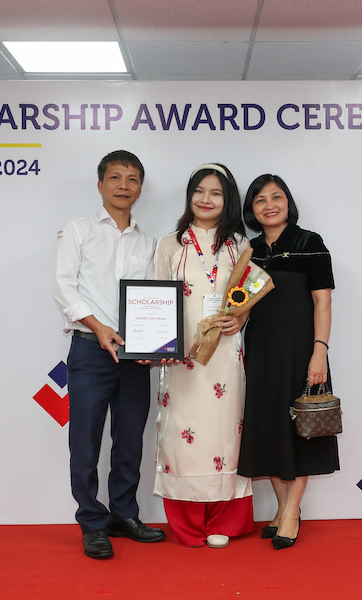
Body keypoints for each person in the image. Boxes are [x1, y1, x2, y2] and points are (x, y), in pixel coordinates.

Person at [54, 150, 166, 559]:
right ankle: (92, 521)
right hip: (90, 351)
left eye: (132, 179)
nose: (124, 185)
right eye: (115, 177)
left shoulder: (150, 242)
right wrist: (99, 328)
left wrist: (156, 344)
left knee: (130, 441)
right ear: (100, 184)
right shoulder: (78, 230)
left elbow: (156, 299)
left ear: (139, 188)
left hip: (135, 358)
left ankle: (124, 514)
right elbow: (64, 288)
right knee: (84, 442)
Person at [152, 163, 254, 548]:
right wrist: (164, 344)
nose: (205, 199)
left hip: (226, 355)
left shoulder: (240, 245)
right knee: (181, 436)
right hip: (181, 359)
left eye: (215, 193)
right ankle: (188, 523)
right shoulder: (169, 244)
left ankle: (224, 521)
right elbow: (157, 298)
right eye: (199, 191)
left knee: (226, 432)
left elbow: (249, 296)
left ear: (227, 201)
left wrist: (240, 318)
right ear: (189, 196)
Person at [236, 174, 339, 550]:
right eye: (260, 200)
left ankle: (293, 512)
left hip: (301, 351)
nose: (269, 205)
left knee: (301, 431)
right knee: (270, 430)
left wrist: (320, 351)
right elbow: (242, 305)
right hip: (261, 352)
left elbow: (322, 303)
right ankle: (282, 510)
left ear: (288, 203)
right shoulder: (250, 251)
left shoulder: (310, 243)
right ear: (252, 210)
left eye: (276, 197)